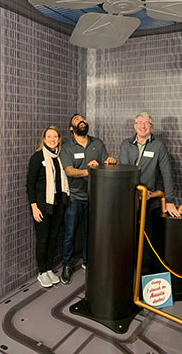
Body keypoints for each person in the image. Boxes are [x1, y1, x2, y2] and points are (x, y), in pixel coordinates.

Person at [59, 114, 117, 284]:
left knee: (90, 233)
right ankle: (67, 266)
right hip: (75, 198)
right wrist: (88, 170)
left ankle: (87, 260)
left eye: (83, 119)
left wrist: (110, 162)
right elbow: (69, 170)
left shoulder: (97, 143)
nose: (81, 121)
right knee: (70, 234)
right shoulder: (67, 147)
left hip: (95, 196)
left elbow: (105, 164)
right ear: (71, 128)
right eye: (77, 120)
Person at [27, 126, 69, 288]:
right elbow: (30, 184)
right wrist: (34, 207)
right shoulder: (38, 157)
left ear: (59, 139)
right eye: (49, 136)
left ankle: (49, 268)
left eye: (55, 137)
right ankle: (42, 271)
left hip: (57, 205)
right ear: (44, 139)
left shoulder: (59, 157)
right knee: (43, 239)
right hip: (43, 206)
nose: (52, 139)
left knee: (53, 238)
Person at [120, 112, 180, 217]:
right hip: (127, 195)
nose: (143, 126)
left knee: (145, 230)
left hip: (148, 197)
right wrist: (138, 189)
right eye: (140, 123)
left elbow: (167, 173)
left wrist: (169, 201)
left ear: (151, 127)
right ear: (135, 126)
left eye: (147, 123)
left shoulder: (158, 145)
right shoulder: (126, 144)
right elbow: (125, 171)